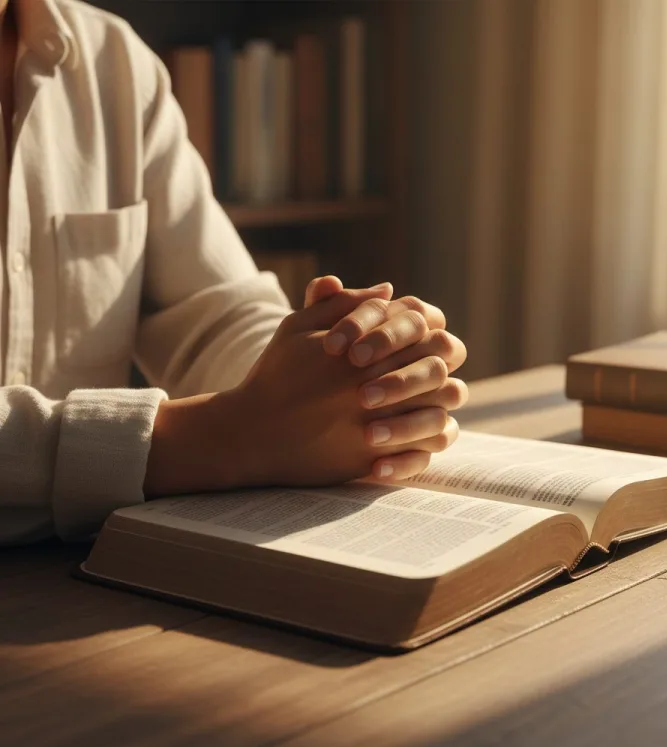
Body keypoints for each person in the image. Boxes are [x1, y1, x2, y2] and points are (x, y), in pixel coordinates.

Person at [0, 0, 468, 545]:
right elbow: (236, 431)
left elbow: (214, 309)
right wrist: (218, 439)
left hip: (78, 569)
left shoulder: (114, 60)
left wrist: (338, 373)